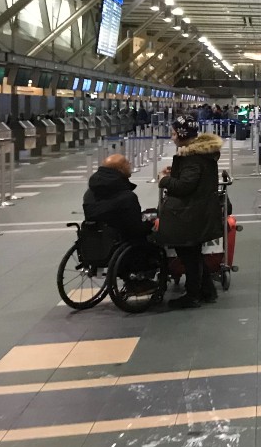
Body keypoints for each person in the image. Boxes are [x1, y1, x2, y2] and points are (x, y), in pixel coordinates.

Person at [156, 115, 224, 309]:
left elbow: (185, 186)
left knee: (188, 254)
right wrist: (176, 172)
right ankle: (207, 290)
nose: (172, 137)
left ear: (181, 134)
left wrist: (164, 180)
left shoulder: (192, 157)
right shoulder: (201, 154)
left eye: (173, 133)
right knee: (193, 252)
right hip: (200, 210)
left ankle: (193, 295)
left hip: (190, 213)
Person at [82, 153, 147, 244]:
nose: (130, 164)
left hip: (95, 242)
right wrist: (150, 225)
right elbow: (136, 230)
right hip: (122, 241)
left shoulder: (89, 193)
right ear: (121, 169)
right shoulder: (127, 197)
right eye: (127, 163)